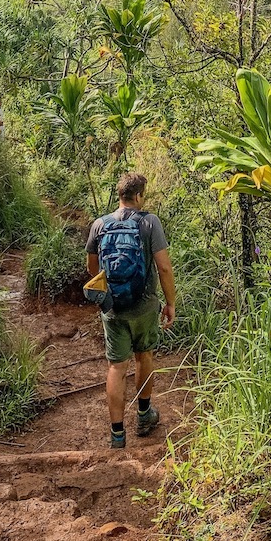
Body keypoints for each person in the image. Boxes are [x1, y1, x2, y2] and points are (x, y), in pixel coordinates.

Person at [85, 171, 177, 448]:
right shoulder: (150, 223)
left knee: (116, 366)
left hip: (113, 308)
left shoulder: (99, 225)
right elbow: (163, 267)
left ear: (119, 196)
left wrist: (108, 292)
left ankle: (116, 434)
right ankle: (144, 414)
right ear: (138, 196)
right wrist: (170, 302)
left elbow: (92, 269)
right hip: (144, 305)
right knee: (143, 355)